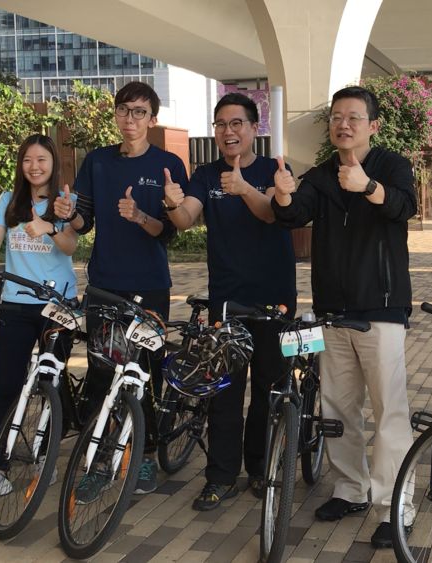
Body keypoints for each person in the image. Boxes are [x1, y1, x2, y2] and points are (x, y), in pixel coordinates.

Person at [271, 86, 416, 549]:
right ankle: (350, 490)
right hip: (331, 312)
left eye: (354, 117)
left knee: (389, 411)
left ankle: (397, 508)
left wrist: (369, 188)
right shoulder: (321, 174)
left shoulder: (391, 166)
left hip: (382, 309)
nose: (344, 124)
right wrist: (284, 196)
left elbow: (404, 206)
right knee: (338, 409)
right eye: (337, 117)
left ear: (372, 125)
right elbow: (295, 215)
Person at [53, 81, 187, 495]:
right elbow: (83, 222)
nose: (131, 119)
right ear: (115, 114)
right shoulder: (97, 161)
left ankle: (143, 455)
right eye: (124, 111)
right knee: (101, 373)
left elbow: (169, 232)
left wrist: (140, 216)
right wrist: (69, 214)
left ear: (153, 119)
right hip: (104, 286)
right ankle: (99, 458)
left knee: (144, 373)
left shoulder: (168, 165)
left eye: (140, 112)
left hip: (149, 287)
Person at [164, 93, 297, 510]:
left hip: (274, 299)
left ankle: (259, 469)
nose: (228, 131)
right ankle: (220, 476)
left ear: (254, 127)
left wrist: (242, 189)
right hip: (226, 301)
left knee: (268, 390)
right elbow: (186, 218)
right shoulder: (205, 174)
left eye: (236, 123)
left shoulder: (275, 170)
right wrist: (171, 204)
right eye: (221, 124)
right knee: (223, 391)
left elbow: (275, 215)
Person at [0, 134, 78, 504]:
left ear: (53, 163)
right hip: (16, 303)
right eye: (28, 160)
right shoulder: (8, 200)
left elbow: (71, 246)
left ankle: (43, 460)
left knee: (51, 382)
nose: (35, 166)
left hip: (57, 304)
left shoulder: (66, 201)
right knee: (8, 386)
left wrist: (50, 227)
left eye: (42, 160)